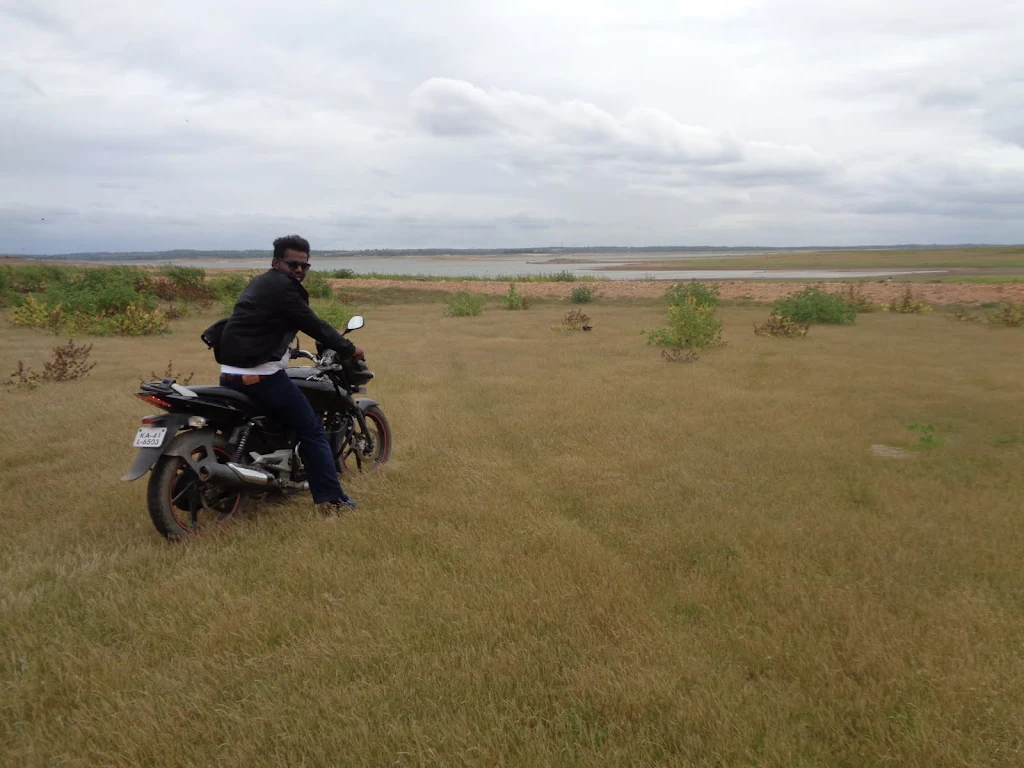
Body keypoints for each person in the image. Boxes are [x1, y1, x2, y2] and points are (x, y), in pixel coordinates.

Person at [215, 234, 363, 515]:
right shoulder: (284, 288)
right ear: (276, 262)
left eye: (304, 266)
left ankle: (272, 485)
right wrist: (348, 347)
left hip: (230, 374)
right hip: (262, 377)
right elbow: (312, 323)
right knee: (312, 430)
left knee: (269, 427)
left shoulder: (260, 283)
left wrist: (286, 351)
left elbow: (262, 324)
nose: (298, 270)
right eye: (292, 264)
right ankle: (333, 500)